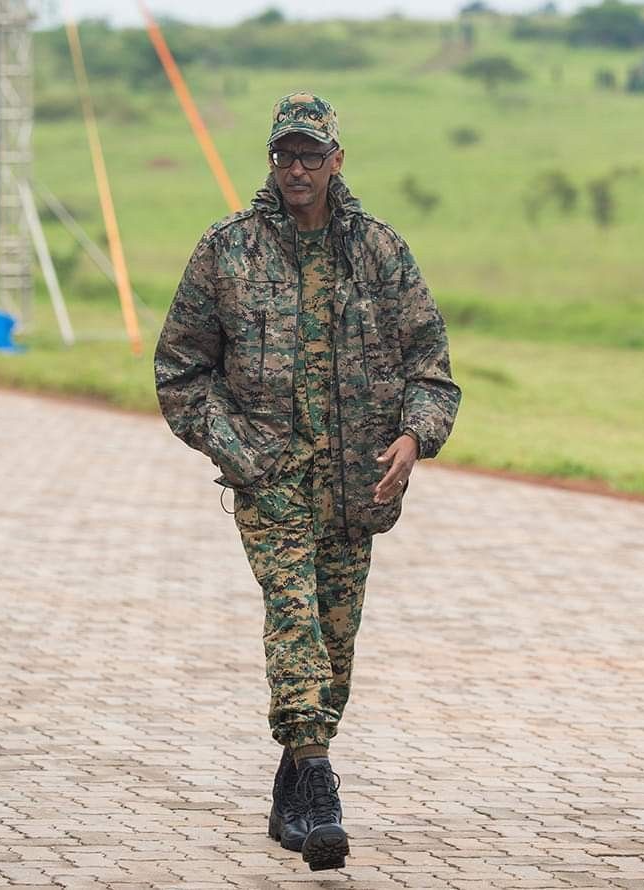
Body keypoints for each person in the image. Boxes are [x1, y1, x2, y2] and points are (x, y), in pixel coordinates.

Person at [154, 92, 461, 872]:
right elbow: (181, 372)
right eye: (284, 156)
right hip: (273, 483)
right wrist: (242, 452)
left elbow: (432, 369)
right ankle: (321, 788)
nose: (296, 169)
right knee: (294, 618)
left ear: (337, 161)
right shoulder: (228, 250)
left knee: (336, 647)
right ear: (271, 160)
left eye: (310, 156)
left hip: (358, 490)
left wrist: (413, 437)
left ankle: (292, 785)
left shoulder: (382, 254)